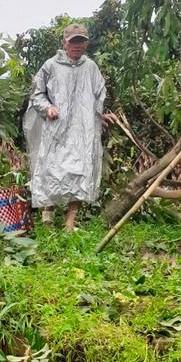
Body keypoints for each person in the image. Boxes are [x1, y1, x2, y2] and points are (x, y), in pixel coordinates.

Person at [23, 23, 115, 231]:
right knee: (50, 169)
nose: (77, 45)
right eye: (73, 41)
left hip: (82, 131)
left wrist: (101, 114)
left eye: (80, 41)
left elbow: (98, 95)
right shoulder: (50, 66)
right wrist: (47, 108)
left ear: (86, 43)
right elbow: (37, 94)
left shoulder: (90, 67)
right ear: (65, 43)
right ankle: (47, 214)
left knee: (80, 172)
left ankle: (70, 222)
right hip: (56, 129)